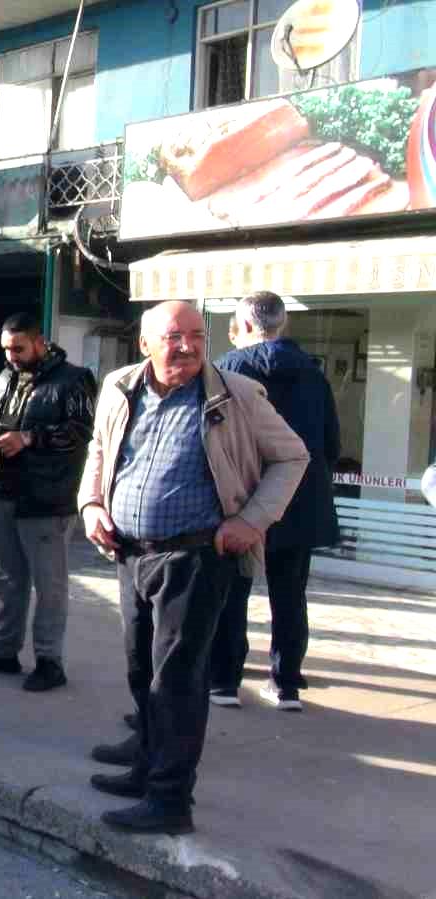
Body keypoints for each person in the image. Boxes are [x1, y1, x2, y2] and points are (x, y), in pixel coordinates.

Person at [80, 300, 307, 835]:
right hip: (129, 550)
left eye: (196, 335)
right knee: (142, 669)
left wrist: (253, 520)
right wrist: (91, 503)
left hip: (196, 556)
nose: (186, 346)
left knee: (178, 679)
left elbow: (293, 457)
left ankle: (169, 801)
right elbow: (99, 448)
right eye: (172, 336)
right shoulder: (118, 387)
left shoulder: (237, 394)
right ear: (144, 344)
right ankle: (145, 766)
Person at [209, 291, 339, 711]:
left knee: (232, 592)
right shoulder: (314, 375)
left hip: (241, 498)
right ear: (280, 325)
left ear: (245, 326)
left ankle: (224, 683)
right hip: (300, 498)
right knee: (290, 594)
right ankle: (285, 685)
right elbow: (331, 444)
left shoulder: (226, 370)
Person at [0, 312, 97, 693]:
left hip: (46, 499)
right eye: (5, 349)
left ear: (40, 342)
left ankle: (50, 661)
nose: (11, 356)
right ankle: (4, 650)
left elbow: (83, 433)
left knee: (48, 585)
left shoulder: (74, 379)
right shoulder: (5, 376)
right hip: (1, 492)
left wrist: (30, 438)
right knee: (4, 577)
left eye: (18, 348)